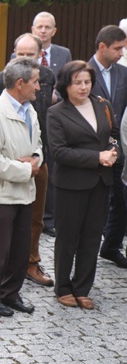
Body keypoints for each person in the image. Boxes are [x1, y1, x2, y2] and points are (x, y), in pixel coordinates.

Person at [0, 33, 56, 287]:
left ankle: (28, 265)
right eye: (20, 54)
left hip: (38, 163)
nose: (25, 59)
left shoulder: (45, 81)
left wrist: (38, 157)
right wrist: (20, 164)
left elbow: (43, 125)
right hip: (8, 171)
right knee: (4, 227)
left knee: (34, 219)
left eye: (30, 55)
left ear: (40, 55)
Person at [47, 60, 118, 310]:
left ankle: (82, 288)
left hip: (100, 183)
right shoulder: (56, 112)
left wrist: (113, 152)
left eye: (87, 82)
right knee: (67, 238)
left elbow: (114, 135)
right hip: (70, 185)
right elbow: (58, 152)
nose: (83, 87)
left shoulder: (102, 105)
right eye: (78, 82)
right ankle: (63, 287)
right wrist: (96, 157)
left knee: (91, 237)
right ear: (66, 84)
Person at [0, 57, 43, 317]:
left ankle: (10, 294)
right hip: (1, 192)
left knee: (20, 248)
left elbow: (38, 145)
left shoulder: (29, 109)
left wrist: (37, 159)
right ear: (19, 83)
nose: (38, 87)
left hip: (25, 190)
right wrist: (27, 170)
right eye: (35, 82)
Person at [31, 11, 72, 237]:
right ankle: (35, 214)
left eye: (48, 27)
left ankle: (50, 218)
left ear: (54, 31)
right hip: (33, 117)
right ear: (33, 30)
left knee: (53, 168)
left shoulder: (63, 54)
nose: (43, 31)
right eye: (40, 27)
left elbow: (68, 82)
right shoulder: (23, 51)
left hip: (57, 118)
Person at [89, 25, 127, 268]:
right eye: (118, 48)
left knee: (121, 201)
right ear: (102, 46)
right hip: (91, 149)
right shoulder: (82, 71)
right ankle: (86, 251)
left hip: (119, 149)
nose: (122, 53)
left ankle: (111, 246)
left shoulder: (124, 73)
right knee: (94, 202)